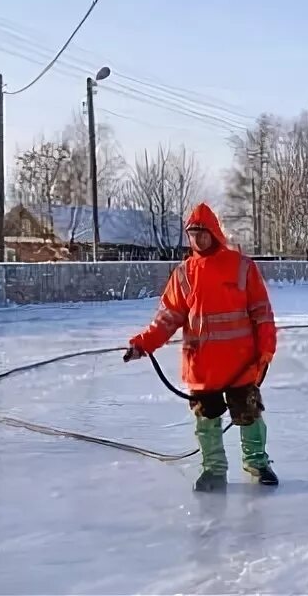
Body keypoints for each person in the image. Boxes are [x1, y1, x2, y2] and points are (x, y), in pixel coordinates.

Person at [123, 203, 278, 491]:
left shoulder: (242, 266)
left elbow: (261, 312)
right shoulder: (184, 274)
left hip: (241, 363)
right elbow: (167, 318)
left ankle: (257, 462)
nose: (198, 239)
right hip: (202, 366)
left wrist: (266, 349)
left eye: (202, 233)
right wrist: (142, 344)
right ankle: (213, 470)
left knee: (249, 415)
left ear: (214, 233)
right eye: (192, 234)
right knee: (206, 420)